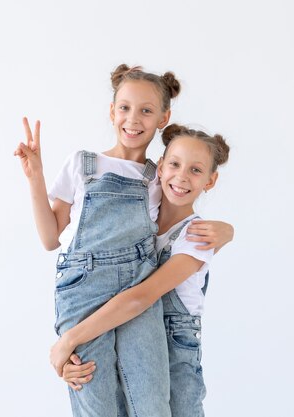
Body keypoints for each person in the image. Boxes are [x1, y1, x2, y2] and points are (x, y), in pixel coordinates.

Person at [14, 64, 233, 417]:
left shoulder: (157, 179)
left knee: (149, 405)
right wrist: (35, 177)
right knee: (97, 405)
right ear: (112, 111)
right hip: (84, 291)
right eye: (125, 108)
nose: (133, 119)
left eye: (146, 110)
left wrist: (226, 231)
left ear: (163, 118)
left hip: (137, 290)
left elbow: (180, 218)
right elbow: (50, 238)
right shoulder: (83, 164)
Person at [50, 123, 230, 417]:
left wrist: (69, 340)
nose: (182, 176)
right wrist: (75, 347)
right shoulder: (139, 218)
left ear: (210, 181)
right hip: (124, 336)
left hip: (174, 357)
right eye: (174, 164)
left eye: (196, 171)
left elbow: (141, 297)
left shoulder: (197, 236)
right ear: (159, 168)